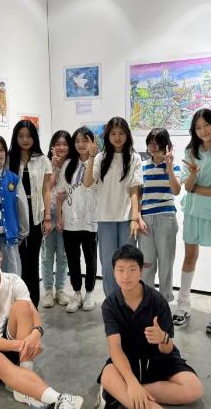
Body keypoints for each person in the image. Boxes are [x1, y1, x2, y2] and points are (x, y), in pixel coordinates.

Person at [0, 235, 83, 408]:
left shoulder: (13, 280)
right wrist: (24, 345)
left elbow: (33, 313)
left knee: (22, 306)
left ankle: (22, 386)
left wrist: (35, 335)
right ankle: (59, 399)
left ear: (0, 255)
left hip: (12, 344)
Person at [96, 245, 203, 409]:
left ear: (141, 271)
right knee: (108, 374)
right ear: (114, 272)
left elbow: (167, 349)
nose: (126, 276)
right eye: (121, 270)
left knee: (194, 388)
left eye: (132, 269)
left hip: (158, 360)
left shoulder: (157, 300)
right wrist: (131, 381)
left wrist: (163, 338)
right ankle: (137, 397)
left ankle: (119, 393)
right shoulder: (110, 305)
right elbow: (115, 348)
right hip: (128, 361)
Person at [173, 108, 211, 334]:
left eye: (207, 125)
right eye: (198, 127)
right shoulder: (190, 151)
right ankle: (183, 305)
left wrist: (195, 187)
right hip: (192, 211)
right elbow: (187, 187)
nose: (203, 130)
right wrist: (194, 175)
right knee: (189, 257)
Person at [83, 117, 143, 297]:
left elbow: (134, 190)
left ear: (127, 135)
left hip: (127, 219)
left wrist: (135, 218)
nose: (117, 137)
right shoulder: (100, 158)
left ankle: (128, 301)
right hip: (105, 219)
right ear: (107, 136)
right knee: (109, 265)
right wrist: (91, 157)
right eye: (113, 133)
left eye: (121, 133)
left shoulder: (134, 157)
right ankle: (112, 302)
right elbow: (87, 182)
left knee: (128, 264)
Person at [9, 120, 52, 308]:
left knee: (32, 260)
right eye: (21, 136)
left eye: (29, 136)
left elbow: (46, 190)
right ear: (15, 137)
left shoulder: (42, 160)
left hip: (36, 215)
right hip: (14, 215)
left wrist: (47, 217)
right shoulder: (9, 159)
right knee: (17, 260)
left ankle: (33, 304)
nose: (25, 140)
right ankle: (18, 303)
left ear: (34, 138)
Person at [55, 127, 98, 312]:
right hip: (70, 220)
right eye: (77, 141)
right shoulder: (68, 164)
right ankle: (77, 293)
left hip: (90, 220)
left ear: (92, 142)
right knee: (73, 259)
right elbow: (60, 193)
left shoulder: (98, 161)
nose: (81, 144)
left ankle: (90, 293)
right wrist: (59, 217)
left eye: (85, 140)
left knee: (90, 258)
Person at [138, 128, 181, 302]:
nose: (153, 146)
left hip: (166, 218)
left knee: (166, 263)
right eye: (150, 143)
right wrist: (138, 218)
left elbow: (176, 191)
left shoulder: (174, 166)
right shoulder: (142, 166)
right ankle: (147, 301)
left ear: (166, 145)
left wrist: (169, 166)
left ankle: (165, 301)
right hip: (145, 219)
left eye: (157, 143)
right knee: (147, 263)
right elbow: (138, 195)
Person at [0, 134, 29, 276]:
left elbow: (22, 207)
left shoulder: (13, 179)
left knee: (12, 276)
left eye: (1, 150)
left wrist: (23, 232)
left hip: (10, 237)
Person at [40, 130, 72, 308]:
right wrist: (54, 166)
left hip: (65, 215)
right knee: (47, 255)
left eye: (65, 144)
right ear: (52, 146)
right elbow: (48, 187)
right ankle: (47, 291)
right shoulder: (46, 163)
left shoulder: (73, 164)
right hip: (48, 214)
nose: (61, 147)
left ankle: (60, 289)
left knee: (63, 254)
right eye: (58, 144)